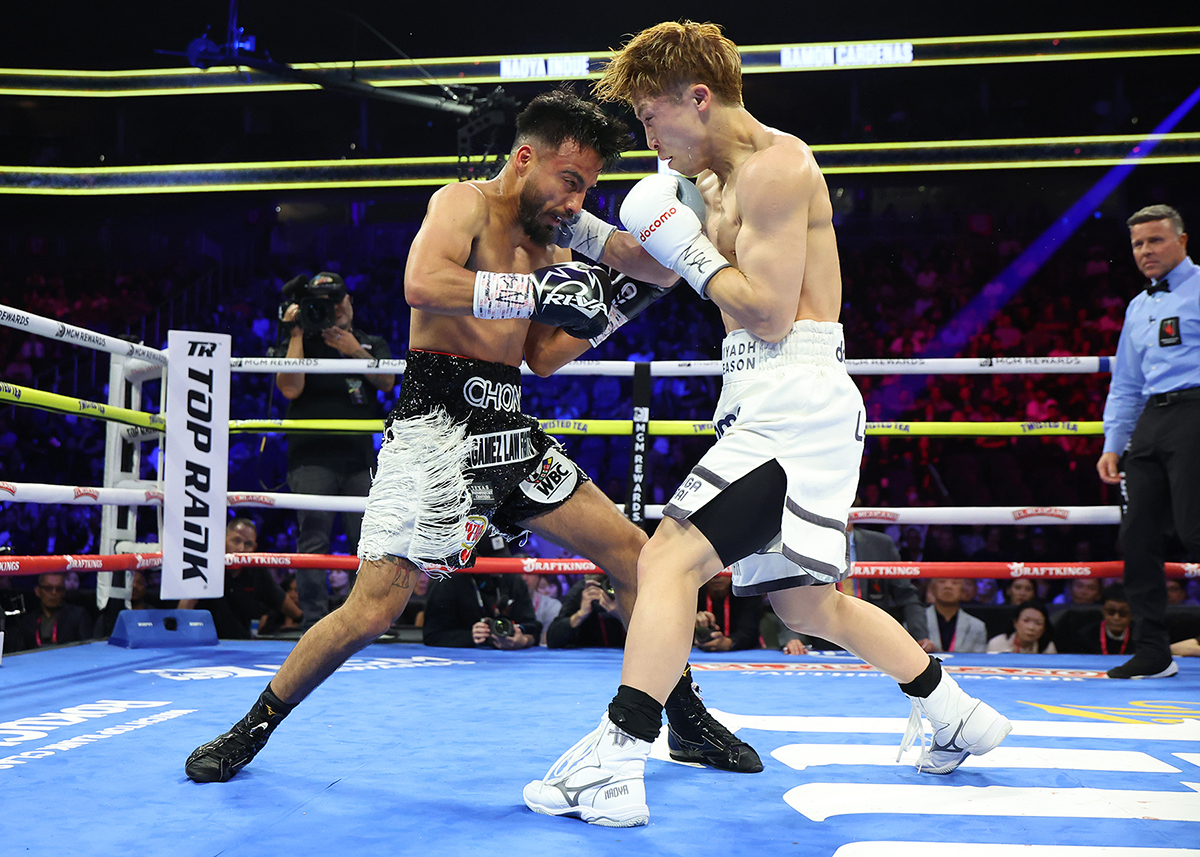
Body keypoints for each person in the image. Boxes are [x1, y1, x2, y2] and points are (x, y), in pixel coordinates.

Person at [184, 88, 759, 785]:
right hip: (434, 426)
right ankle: (253, 726)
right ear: (525, 158)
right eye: (570, 180)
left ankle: (686, 719)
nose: (577, 200)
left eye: (588, 188)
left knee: (638, 558)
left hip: (507, 427)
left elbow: (543, 355)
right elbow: (422, 283)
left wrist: (624, 295)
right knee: (374, 608)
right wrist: (538, 293)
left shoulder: (555, 236)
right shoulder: (462, 202)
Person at [523, 22, 1010, 828]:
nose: (646, 136)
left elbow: (772, 312)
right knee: (803, 603)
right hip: (767, 399)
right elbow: (652, 260)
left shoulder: (780, 166)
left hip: (797, 393)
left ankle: (616, 758)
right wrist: (569, 222)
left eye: (651, 116)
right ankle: (954, 711)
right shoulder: (699, 181)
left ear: (699, 97)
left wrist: (690, 247)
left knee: (670, 558)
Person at [1097, 203, 1198, 679]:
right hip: (1152, 422)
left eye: (1155, 240)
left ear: (1181, 240)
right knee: (1136, 536)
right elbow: (1127, 383)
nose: (1145, 251)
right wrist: (1112, 443)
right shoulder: (1139, 307)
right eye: (1138, 243)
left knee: (1195, 528)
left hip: (1196, 412)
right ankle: (1155, 650)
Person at [274, 272, 397, 628]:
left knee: (368, 542)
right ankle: (313, 623)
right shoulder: (302, 341)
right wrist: (295, 333)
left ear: (350, 301)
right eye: (325, 301)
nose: (334, 307)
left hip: (359, 459)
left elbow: (387, 382)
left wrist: (354, 351)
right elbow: (289, 389)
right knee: (313, 540)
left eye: (338, 299)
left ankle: (365, 622)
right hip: (311, 458)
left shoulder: (371, 342)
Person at [178, 518, 301, 639]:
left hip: (241, 645)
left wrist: (306, 623)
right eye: (236, 541)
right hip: (205, 643)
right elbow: (183, 610)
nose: (241, 549)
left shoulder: (256, 570)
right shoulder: (206, 565)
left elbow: (286, 605)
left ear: (254, 547)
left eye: (248, 544)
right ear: (223, 540)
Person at [421, 572, 541, 649]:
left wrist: (524, 640)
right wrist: (470, 637)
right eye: (492, 557)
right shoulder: (448, 580)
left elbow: (533, 629)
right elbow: (432, 636)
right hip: (462, 662)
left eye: (499, 556)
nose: (496, 564)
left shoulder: (513, 579)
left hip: (512, 662)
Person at [14, 572, 93, 649]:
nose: (54, 593)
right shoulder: (27, 622)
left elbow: (87, 649)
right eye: (48, 588)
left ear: (64, 592)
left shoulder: (78, 616)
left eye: (59, 589)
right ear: (38, 591)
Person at [546, 574, 626, 649]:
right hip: (589, 655)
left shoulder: (630, 588)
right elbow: (552, 639)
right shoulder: (584, 589)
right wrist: (580, 614)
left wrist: (622, 614)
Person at [691, 573, 762, 652]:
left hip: (744, 651)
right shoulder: (692, 593)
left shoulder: (747, 591)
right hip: (697, 652)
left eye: (724, 569)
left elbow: (750, 632)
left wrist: (729, 643)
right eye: (712, 570)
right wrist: (691, 626)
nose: (717, 576)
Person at [1064, 584, 1133, 656]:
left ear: (1132, 614)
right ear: (1103, 610)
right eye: (1111, 612)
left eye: (1123, 613)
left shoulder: (1140, 636)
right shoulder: (1085, 636)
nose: (1116, 617)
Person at [923, 578, 988, 654]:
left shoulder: (977, 626)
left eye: (955, 583)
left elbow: (979, 660)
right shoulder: (915, 622)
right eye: (942, 581)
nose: (948, 586)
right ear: (932, 588)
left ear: (963, 591)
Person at [987, 600, 1056, 654]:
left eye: (1038, 623)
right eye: (1026, 621)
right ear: (1015, 623)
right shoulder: (997, 643)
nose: (1031, 627)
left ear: (1044, 628)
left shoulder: (1048, 648)